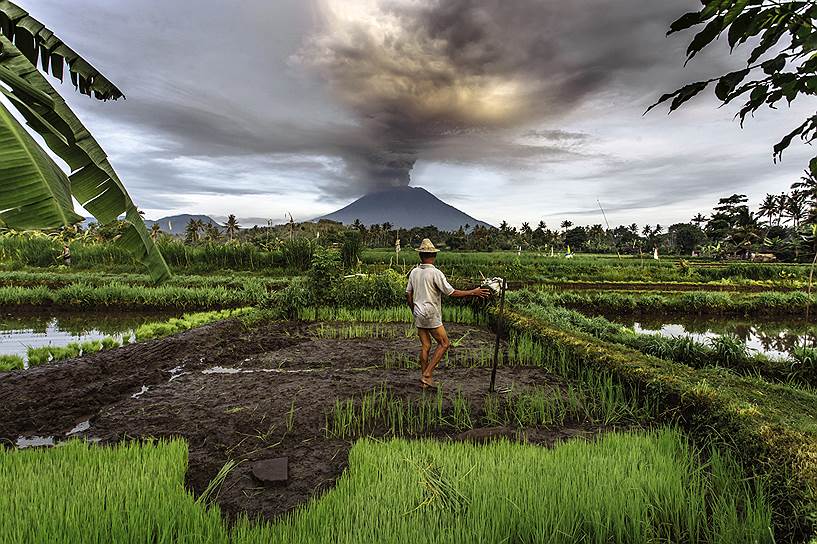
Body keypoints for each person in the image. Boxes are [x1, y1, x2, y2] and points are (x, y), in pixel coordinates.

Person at [406, 239, 490, 388]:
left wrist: (414, 309)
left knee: (425, 345)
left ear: (420, 255)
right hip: (431, 313)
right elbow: (452, 292)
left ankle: (425, 380)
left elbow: (408, 294)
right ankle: (427, 374)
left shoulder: (414, 272)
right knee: (444, 344)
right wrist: (474, 292)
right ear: (433, 255)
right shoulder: (435, 273)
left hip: (418, 313)